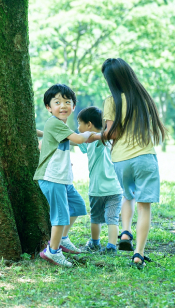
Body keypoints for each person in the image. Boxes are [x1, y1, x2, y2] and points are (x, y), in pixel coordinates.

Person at [98, 58, 165, 269]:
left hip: (121, 160)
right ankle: (139, 253)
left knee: (128, 195)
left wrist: (97, 135)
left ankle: (125, 231)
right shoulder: (142, 98)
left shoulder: (112, 101)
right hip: (145, 157)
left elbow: (113, 132)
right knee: (144, 207)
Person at [34, 84, 94, 268]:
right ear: (48, 107)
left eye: (67, 102)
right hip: (52, 178)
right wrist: (90, 133)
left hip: (62, 178)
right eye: (57, 102)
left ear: (73, 107)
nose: (63, 106)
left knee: (77, 205)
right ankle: (52, 251)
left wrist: (95, 137)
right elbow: (77, 139)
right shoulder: (54, 123)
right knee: (60, 216)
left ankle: (63, 239)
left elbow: (73, 141)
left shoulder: (60, 126)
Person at [76, 107, 123, 254]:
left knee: (95, 218)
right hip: (115, 189)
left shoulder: (97, 140)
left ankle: (95, 243)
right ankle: (111, 246)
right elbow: (74, 141)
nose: (78, 127)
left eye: (79, 123)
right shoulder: (102, 140)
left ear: (88, 125)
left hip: (97, 189)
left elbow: (96, 137)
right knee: (112, 219)